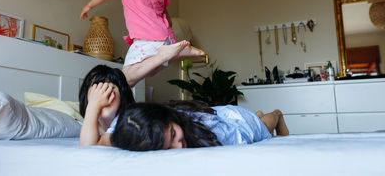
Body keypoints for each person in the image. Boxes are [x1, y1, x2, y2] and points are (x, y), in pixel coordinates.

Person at [80, 0, 205, 87]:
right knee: (150, 70)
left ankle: (168, 54)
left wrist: (89, 5)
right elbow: (168, 21)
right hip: (166, 38)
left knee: (125, 78)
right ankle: (178, 53)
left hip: (146, 39)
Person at [110, 101, 289, 151]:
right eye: (168, 148)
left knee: (264, 126)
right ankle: (256, 114)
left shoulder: (212, 132)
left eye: (173, 134)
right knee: (256, 116)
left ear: (169, 116)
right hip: (219, 115)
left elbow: (240, 139)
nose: (178, 146)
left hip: (237, 122)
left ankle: (276, 114)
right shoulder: (138, 135)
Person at [78, 65, 135, 146]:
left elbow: (88, 147)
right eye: (97, 89)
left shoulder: (129, 122)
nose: (104, 95)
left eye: (110, 88)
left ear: (122, 96)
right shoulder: (88, 125)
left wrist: (93, 106)